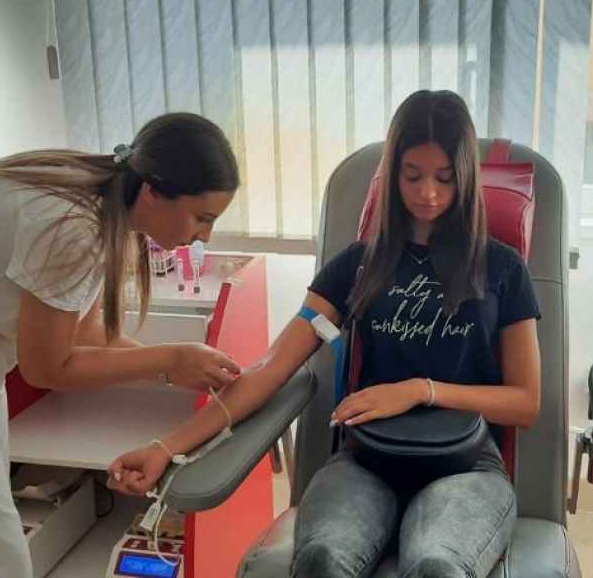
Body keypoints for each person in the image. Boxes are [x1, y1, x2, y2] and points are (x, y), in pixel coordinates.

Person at [108, 91, 541, 577]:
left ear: (466, 176)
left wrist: (421, 390)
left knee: (436, 565)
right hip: (367, 462)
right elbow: (269, 370)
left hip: (467, 465)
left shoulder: (502, 269)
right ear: (392, 173)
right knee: (322, 559)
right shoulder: (358, 267)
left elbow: (525, 402)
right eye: (412, 175)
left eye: (445, 178)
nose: (429, 193)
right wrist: (166, 447)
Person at [0, 112, 243, 577]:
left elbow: (81, 330)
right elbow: (46, 368)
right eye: (201, 218)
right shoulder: (71, 226)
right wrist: (168, 361)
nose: (204, 236)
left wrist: (175, 369)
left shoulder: (101, 201)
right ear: (153, 191)